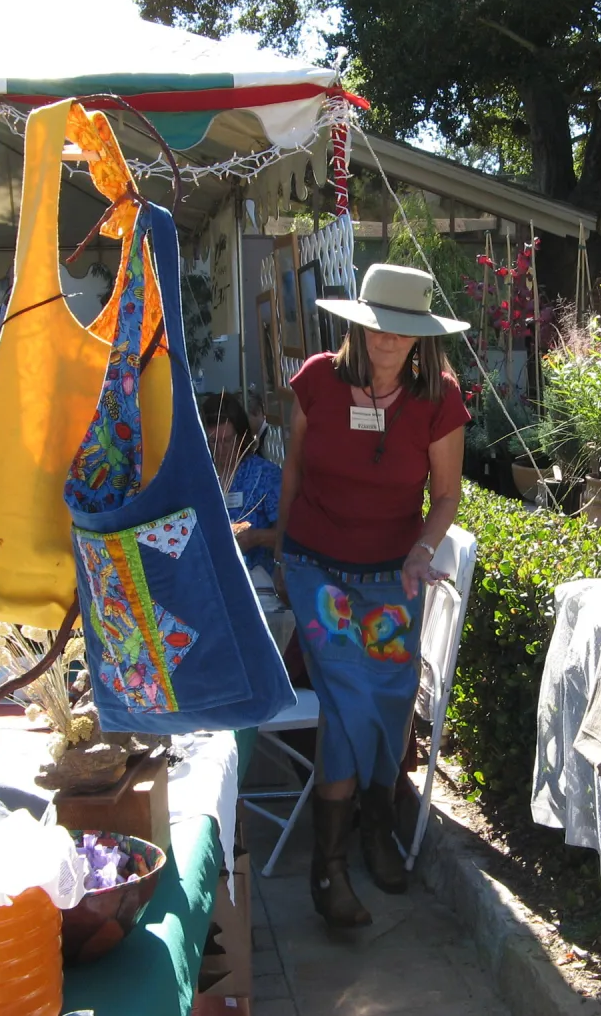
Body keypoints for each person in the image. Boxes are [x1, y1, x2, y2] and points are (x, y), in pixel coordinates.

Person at [275, 263, 469, 928]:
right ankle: (327, 866)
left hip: (393, 574)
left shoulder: (439, 398)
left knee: (388, 699)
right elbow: (294, 467)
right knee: (349, 694)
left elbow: (446, 494)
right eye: (378, 327)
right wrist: (280, 552)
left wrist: (421, 551)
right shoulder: (319, 381)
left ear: (421, 337)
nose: (387, 341)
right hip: (317, 568)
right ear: (359, 323)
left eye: (402, 331)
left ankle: (375, 830)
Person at [200, 391, 282, 572]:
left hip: (256, 576)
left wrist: (256, 537)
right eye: (213, 442)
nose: (221, 449)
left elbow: (290, 535)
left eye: (228, 440)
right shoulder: (197, 476)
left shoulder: (265, 475)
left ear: (241, 437)